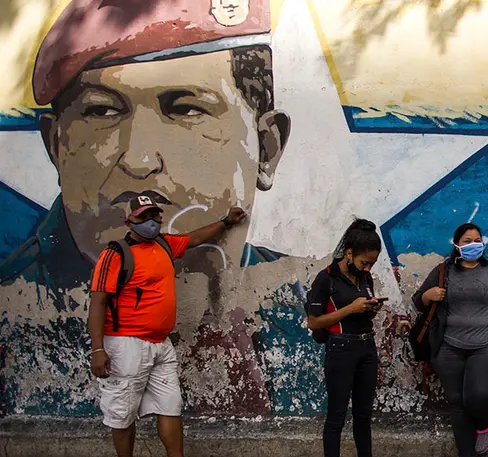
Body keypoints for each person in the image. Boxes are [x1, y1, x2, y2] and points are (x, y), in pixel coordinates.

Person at [1, 0, 290, 291]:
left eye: (186, 110)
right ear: (55, 147)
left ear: (267, 149)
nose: (139, 161)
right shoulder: (11, 312)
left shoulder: (306, 303)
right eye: (102, 112)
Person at [89, 194, 247, 457]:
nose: (151, 222)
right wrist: (98, 349)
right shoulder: (116, 255)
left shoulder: (162, 244)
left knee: (169, 406)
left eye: (155, 216)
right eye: (144, 217)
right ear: (129, 221)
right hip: (125, 345)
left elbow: (193, 238)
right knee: (122, 412)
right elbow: (98, 302)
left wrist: (226, 222)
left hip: (160, 344)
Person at [412, 223, 488, 457]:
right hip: (449, 346)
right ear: (456, 244)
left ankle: (484, 425)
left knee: (480, 395)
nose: (473, 243)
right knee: (457, 402)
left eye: (477, 239)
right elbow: (418, 302)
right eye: (467, 240)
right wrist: (428, 296)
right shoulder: (442, 272)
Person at [306, 219, 394, 457]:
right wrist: (351, 308)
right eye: (364, 262)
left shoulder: (364, 279)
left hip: (366, 349)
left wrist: (369, 309)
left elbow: (360, 313)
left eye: (372, 264)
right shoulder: (326, 279)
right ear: (349, 253)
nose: (368, 269)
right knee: (336, 417)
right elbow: (314, 321)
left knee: (364, 416)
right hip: (340, 351)